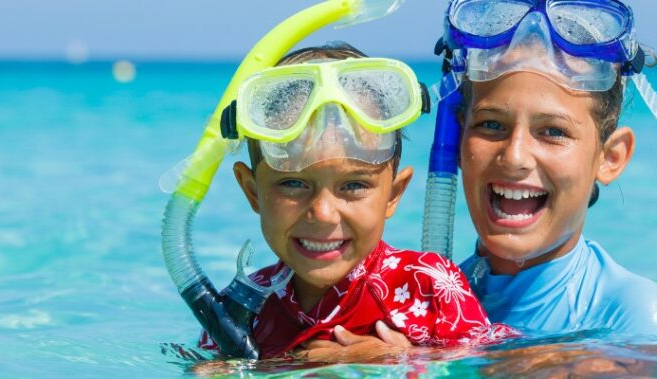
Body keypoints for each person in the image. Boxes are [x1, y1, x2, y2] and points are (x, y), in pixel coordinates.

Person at [297, 0, 657, 359]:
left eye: (553, 131)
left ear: (610, 157)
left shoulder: (637, 316)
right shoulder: (419, 295)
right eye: (491, 125)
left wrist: (415, 363)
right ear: (457, 137)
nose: (515, 156)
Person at [199, 43, 517, 360]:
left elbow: (494, 363)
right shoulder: (240, 311)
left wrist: (402, 361)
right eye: (293, 183)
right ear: (253, 191)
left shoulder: (428, 285)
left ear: (393, 194)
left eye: (353, 185)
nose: (323, 214)